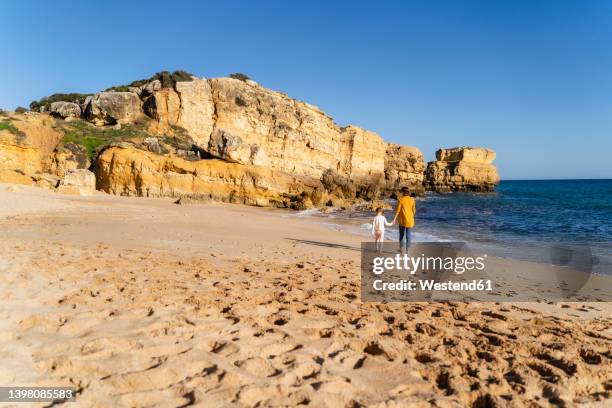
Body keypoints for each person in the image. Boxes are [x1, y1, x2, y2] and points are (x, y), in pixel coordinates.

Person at [392, 187, 416, 252]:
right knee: (408, 235)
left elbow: (398, 211)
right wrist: (411, 217)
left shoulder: (401, 200)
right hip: (410, 220)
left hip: (402, 220)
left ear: (403, 192)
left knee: (401, 235)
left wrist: (394, 219)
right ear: (408, 193)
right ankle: (408, 250)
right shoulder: (412, 200)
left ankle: (401, 249)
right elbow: (414, 211)